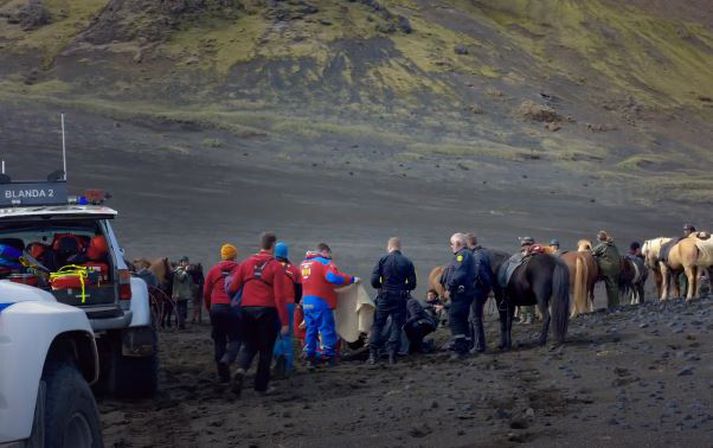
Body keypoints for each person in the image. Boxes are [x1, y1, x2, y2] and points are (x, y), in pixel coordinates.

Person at [227, 232, 291, 396]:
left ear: (260, 245)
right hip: (267, 311)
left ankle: (241, 370)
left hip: (247, 310)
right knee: (265, 350)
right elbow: (279, 296)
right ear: (273, 246)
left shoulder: (246, 263)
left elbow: (233, 287)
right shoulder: (275, 266)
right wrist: (284, 322)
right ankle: (261, 387)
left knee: (249, 346)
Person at [300, 242, 359, 368]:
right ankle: (329, 355)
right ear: (325, 251)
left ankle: (310, 356)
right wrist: (351, 279)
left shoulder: (304, 264)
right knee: (326, 328)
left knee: (311, 329)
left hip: (306, 302)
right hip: (321, 302)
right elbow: (333, 277)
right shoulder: (324, 262)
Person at [367, 237, 417, 365]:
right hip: (399, 297)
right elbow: (412, 284)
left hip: (384, 296)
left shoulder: (382, 260)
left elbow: (374, 281)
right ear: (400, 248)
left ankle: (373, 354)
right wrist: (402, 287)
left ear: (388, 247)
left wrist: (381, 287)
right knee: (396, 325)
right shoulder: (407, 262)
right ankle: (392, 355)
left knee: (378, 324)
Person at [203, 244, 241, 383]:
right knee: (236, 338)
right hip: (233, 308)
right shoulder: (239, 269)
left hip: (216, 308)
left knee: (219, 340)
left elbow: (206, 292)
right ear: (234, 256)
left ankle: (223, 376)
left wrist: (209, 307)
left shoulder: (214, 270)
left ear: (222, 255)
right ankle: (228, 359)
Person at [441, 233, 477, 360]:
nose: (451, 247)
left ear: (457, 244)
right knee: (462, 319)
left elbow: (459, 274)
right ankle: (465, 345)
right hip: (466, 293)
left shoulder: (462, 256)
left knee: (454, 317)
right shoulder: (468, 255)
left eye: (451, 244)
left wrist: (450, 288)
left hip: (461, 294)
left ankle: (459, 348)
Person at [272, 241, 302, 378]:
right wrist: (295, 302)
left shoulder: (271, 266)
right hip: (289, 304)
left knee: (275, 335)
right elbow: (299, 290)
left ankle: (277, 359)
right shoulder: (294, 270)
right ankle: (288, 366)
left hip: (274, 304)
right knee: (287, 335)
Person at [465, 233, 493, 354]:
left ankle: (479, 345)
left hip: (477, 290)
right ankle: (474, 343)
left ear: (467, 243)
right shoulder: (483, 253)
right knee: (474, 318)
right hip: (481, 290)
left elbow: (478, 273)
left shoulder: (476, 256)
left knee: (475, 318)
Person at [592, 230, 621, 309]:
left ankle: (613, 307)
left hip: (608, 269)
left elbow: (592, 252)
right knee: (614, 287)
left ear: (600, 238)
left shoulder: (603, 245)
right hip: (617, 269)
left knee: (611, 288)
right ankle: (616, 305)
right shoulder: (613, 244)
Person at [172, 256, 195, 330]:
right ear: (181, 263)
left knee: (183, 310)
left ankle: (180, 323)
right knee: (180, 310)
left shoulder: (184, 271)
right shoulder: (178, 270)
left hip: (183, 294)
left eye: (187, 261)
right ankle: (180, 325)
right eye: (185, 262)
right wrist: (185, 271)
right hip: (179, 294)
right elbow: (181, 278)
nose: (186, 263)